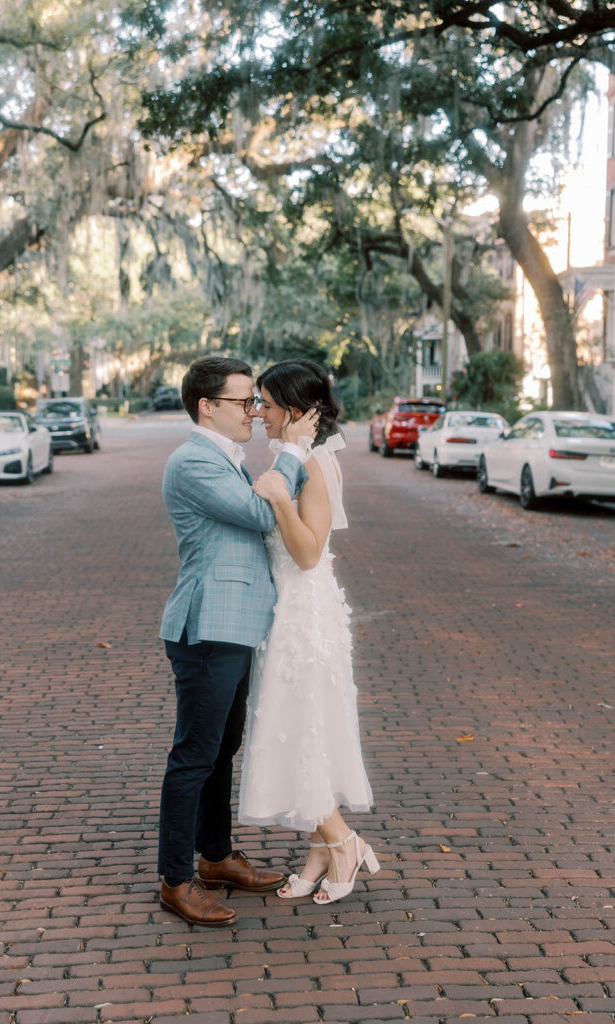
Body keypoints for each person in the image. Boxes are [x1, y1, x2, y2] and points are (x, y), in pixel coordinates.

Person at [157, 355, 312, 928]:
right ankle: (176, 880)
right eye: (244, 401)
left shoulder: (223, 457)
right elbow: (260, 515)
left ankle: (216, 857)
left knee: (222, 750)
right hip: (207, 628)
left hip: (237, 625)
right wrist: (292, 452)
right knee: (194, 755)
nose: (253, 411)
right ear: (207, 406)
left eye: (254, 402)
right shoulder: (193, 461)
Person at [238, 359, 378, 905]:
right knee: (294, 727)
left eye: (266, 405)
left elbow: (307, 550)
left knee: (302, 727)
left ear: (295, 410)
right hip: (286, 610)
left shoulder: (315, 462)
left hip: (306, 614)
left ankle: (343, 842)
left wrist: (276, 497)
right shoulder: (291, 455)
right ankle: (322, 847)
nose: (258, 414)